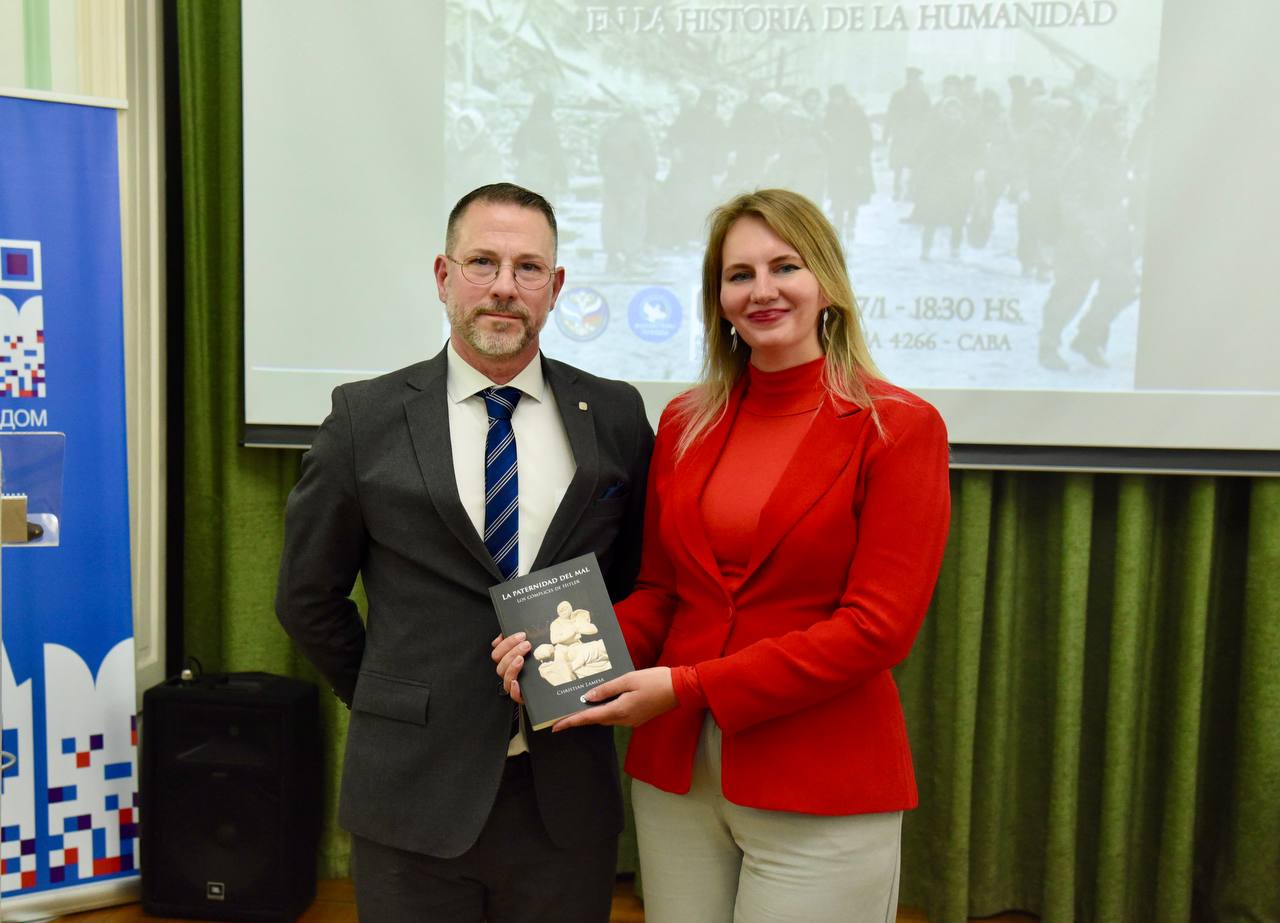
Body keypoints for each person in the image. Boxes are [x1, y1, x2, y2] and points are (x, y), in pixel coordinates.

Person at [496, 188, 952, 921]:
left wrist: (687, 686)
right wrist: (557, 655)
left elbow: (878, 629)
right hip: (678, 779)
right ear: (719, 298)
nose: (762, 290)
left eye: (785, 267)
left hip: (822, 779)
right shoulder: (684, 421)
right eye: (739, 274)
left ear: (827, 284)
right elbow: (661, 592)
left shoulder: (897, 426)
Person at [276, 182, 654, 922]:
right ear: (444, 276)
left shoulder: (613, 413)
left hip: (565, 797)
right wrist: (391, 695)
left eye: (528, 268)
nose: (504, 288)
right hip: (412, 792)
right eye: (482, 262)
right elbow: (306, 596)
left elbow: (638, 577)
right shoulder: (367, 417)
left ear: (556, 287)